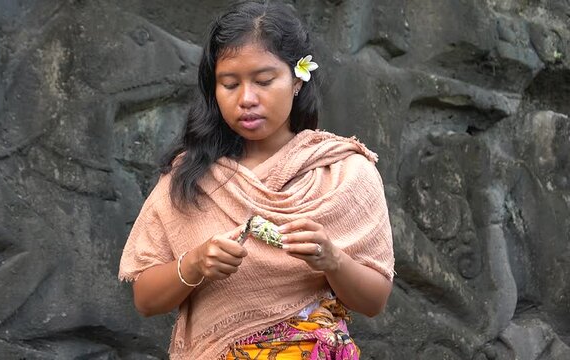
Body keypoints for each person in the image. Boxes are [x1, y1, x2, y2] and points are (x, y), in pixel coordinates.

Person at [118, 1, 395, 359]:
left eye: (264, 81)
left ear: (297, 79)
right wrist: (196, 263)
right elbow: (145, 299)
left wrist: (332, 259)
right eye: (229, 84)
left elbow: (374, 301)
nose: (246, 99)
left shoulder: (343, 171)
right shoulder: (189, 176)